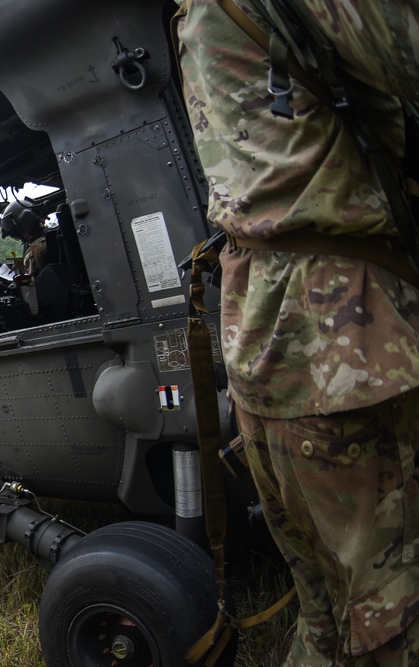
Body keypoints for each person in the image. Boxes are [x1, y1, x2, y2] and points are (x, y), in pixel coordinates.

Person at [174, 1, 419, 665]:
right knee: (393, 610)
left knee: (328, 616)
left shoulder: (194, 16)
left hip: (266, 340)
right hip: (349, 343)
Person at [0, 198, 48, 278]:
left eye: (17, 234)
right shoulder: (53, 236)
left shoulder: (36, 248)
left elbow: (35, 282)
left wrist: (24, 269)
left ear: (25, 224)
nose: (20, 238)